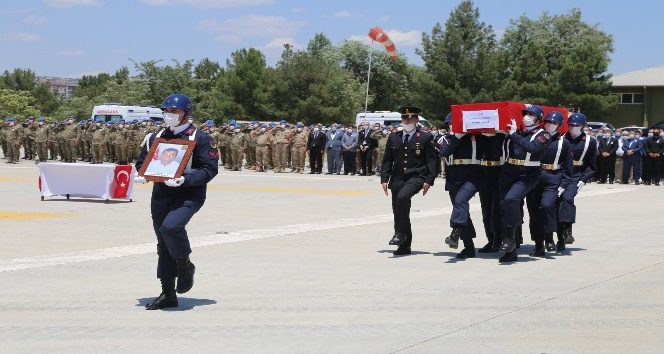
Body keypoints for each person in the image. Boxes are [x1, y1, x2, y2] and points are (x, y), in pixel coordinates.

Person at [134, 93, 219, 310]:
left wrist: (185, 179)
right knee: (163, 242)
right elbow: (142, 162)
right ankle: (168, 293)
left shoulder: (201, 139)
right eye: (167, 111)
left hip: (188, 194)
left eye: (175, 111)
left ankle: (185, 265)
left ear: (186, 114)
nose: (169, 115)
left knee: (171, 227)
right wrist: (144, 174)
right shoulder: (155, 137)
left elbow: (209, 169)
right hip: (162, 194)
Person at [381, 106, 438, 256]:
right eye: (404, 118)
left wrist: (429, 180)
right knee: (398, 210)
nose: (407, 121)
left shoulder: (425, 137)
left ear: (416, 120)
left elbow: (432, 161)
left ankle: (400, 233)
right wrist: (384, 178)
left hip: (417, 176)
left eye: (410, 118)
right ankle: (404, 245)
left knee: (403, 197)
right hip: (398, 178)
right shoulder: (394, 136)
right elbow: (387, 160)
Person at [498, 105, 551, 263]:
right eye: (526, 113)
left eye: (531, 115)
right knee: (504, 206)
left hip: (528, 173)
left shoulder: (544, 135)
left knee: (511, 200)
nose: (527, 116)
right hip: (509, 171)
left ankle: (510, 239)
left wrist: (514, 134)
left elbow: (532, 147)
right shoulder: (517, 132)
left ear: (538, 118)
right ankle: (511, 250)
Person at [437, 113, 487, 259]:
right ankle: (469, 246)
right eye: (451, 124)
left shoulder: (476, 137)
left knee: (460, 201)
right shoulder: (445, 139)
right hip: (453, 177)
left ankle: (455, 232)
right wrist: (457, 137)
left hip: (473, 175)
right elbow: (444, 152)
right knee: (461, 209)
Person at [525, 111, 573, 255]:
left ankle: (549, 237)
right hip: (534, 177)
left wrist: (564, 185)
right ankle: (538, 245)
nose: (550, 125)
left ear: (559, 126)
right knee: (533, 213)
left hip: (553, 178)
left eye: (554, 123)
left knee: (547, 206)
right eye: (547, 122)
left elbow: (568, 167)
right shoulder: (535, 138)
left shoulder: (564, 143)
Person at [558, 113, 597, 246]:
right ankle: (557, 236)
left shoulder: (590, 141)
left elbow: (591, 164)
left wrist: (584, 179)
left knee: (567, 198)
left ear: (582, 126)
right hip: (561, 172)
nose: (573, 127)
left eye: (576, 125)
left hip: (576, 173)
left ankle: (568, 230)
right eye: (571, 125)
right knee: (556, 202)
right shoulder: (561, 138)